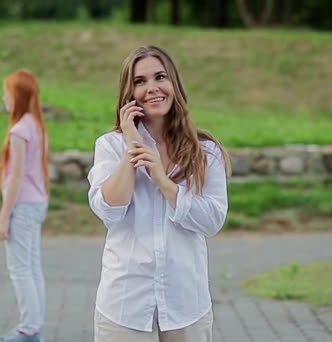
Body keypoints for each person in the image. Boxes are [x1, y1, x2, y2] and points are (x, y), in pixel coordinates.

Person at [87, 46, 231, 342]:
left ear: (174, 84)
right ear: (129, 92)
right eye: (140, 81)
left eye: (160, 77)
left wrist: (164, 182)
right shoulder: (110, 146)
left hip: (186, 305)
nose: (151, 88)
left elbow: (212, 221)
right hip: (125, 305)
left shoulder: (205, 151)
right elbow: (109, 211)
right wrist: (132, 147)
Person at [0, 69, 50, 342]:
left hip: (24, 206)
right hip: (37, 203)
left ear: (18, 96)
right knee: (32, 265)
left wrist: (3, 218)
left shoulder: (19, 130)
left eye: (7, 94)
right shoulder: (36, 125)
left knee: (20, 268)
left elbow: (16, 177)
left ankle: (28, 329)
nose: (4, 99)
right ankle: (34, 327)